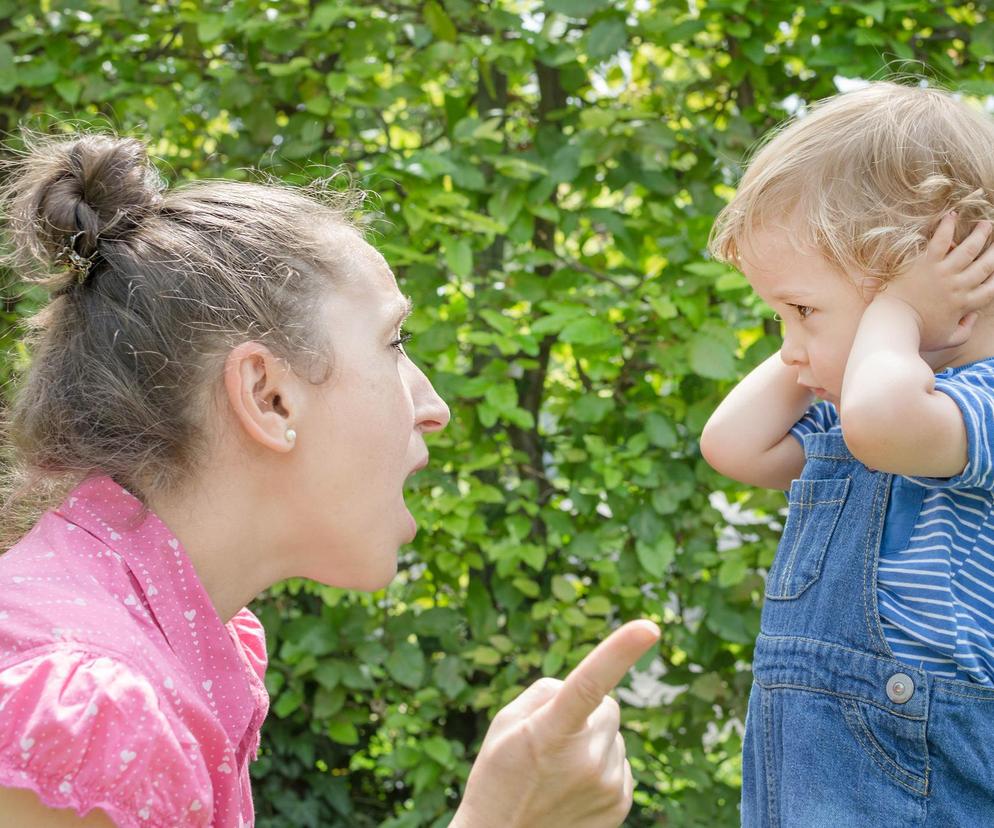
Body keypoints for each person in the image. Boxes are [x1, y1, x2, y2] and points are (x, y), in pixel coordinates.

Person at [0, 132, 660, 827]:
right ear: (268, 396)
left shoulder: (111, 641)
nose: (434, 409)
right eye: (395, 342)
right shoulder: (91, 719)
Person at [700, 81, 994, 825]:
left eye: (801, 312)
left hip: (924, 787)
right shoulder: (855, 404)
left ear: (939, 289)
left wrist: (894, 307)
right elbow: (732, 446)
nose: (789, 349)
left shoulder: (965, 403)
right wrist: (822, 338)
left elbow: (877, 421)